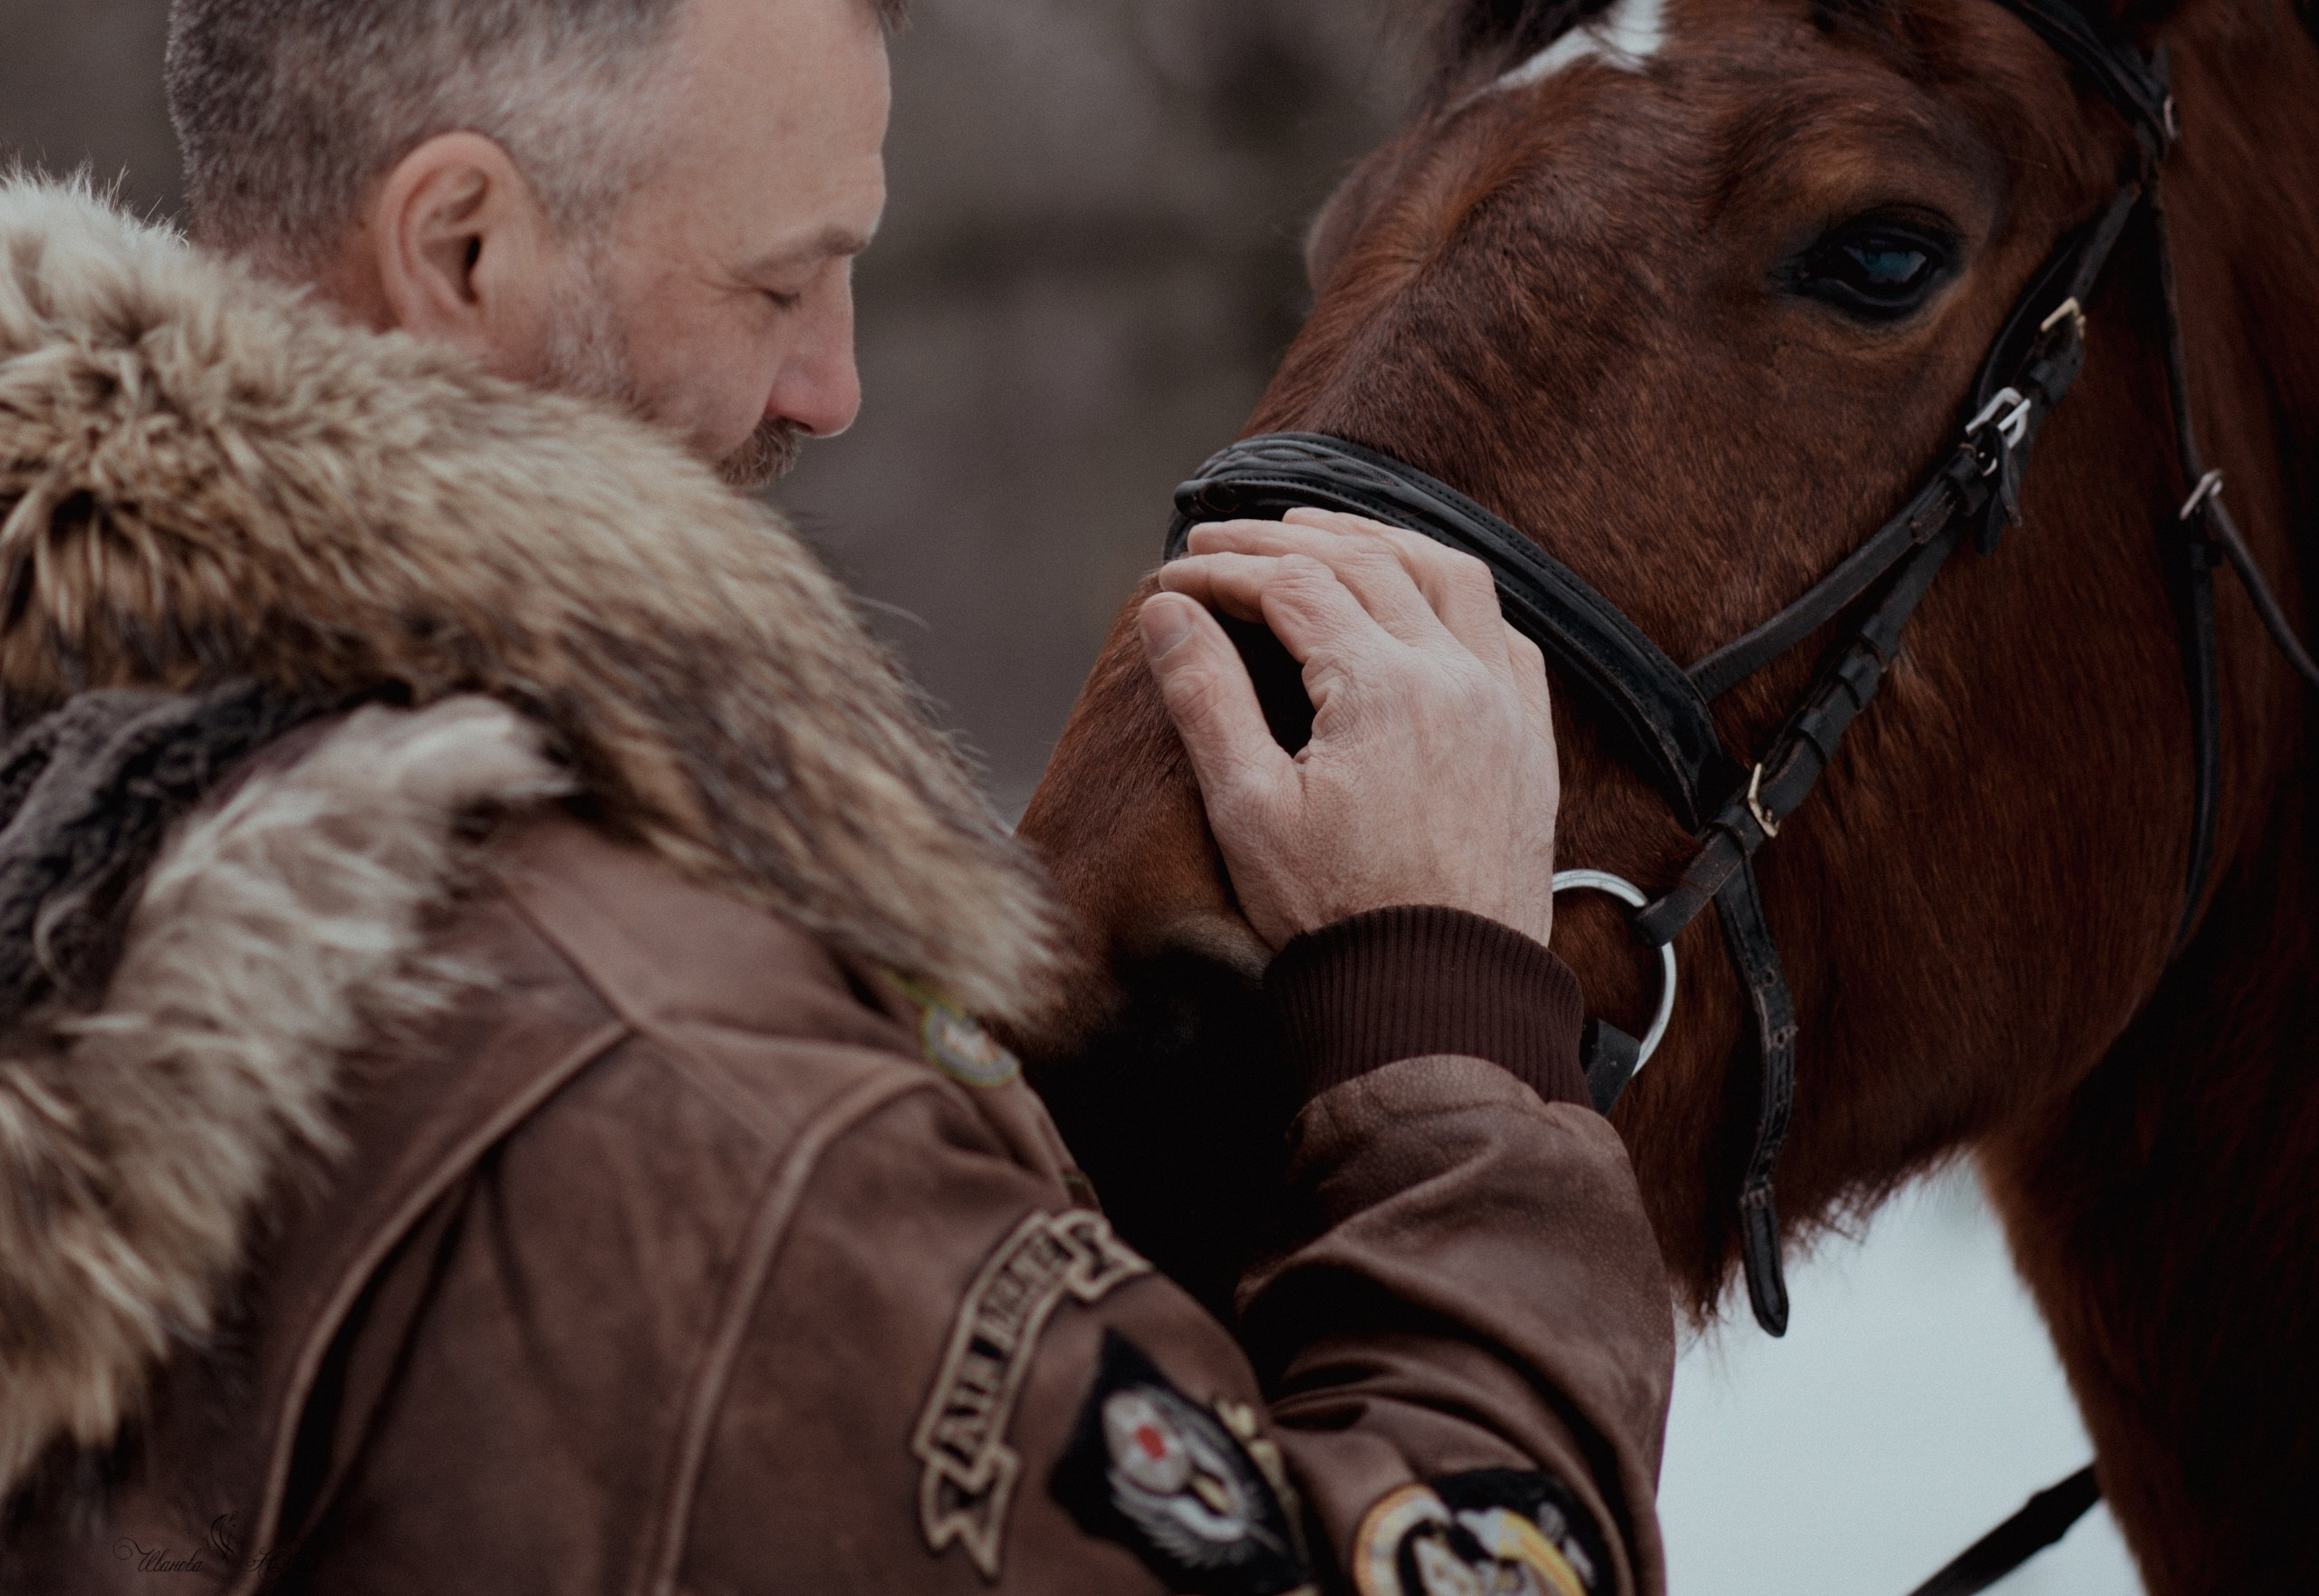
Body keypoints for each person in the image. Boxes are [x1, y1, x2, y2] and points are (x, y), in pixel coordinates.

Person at [0, 0, 1676, 1591]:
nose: (832, 386)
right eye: (780, 283)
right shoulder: (669, 1088)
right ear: (463, 251)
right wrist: (1445, 1011)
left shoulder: (81, 763)